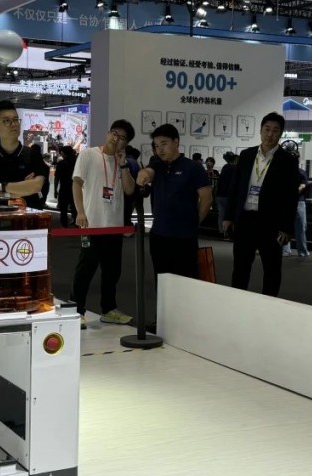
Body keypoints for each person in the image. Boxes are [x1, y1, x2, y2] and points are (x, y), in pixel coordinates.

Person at [223, 112, 300, 297]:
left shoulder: (288, 161)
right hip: (245, 220)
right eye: (267, 129)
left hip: (270, 223)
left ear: (280, 133)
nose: (270, 134)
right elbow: (235, 188)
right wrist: (228, 216)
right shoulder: (247, 155)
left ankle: (269, 305)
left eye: (275, 130)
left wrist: (286, 228)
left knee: (272, 269)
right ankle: (237, 302)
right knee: (240, 267)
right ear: (260, 130)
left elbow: (291, 197)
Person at [70, 120, 138, 329]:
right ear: (108, 133)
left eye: (122, 138)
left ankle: (109, 309)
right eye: (114, 133)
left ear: (126, 143)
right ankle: (77, 310)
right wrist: (80, 212)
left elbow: (129, 190)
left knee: (112, 271)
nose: (116, 139)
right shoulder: (88, 154)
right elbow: (77, 183)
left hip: (114, 226)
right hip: (91, 224)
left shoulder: (124, 163)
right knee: (86, 267)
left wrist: (124, 165)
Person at [135, 123, 212, 279]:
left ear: (176, 142)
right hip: (159, 236)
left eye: (164, 144)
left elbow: (207, 198)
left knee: (186, 281)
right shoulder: (157, 166)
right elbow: (148, 172)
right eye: (157, 146)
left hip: (184, 238)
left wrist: (195, 222)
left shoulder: (193, 167)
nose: (160, 149)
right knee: (161, 281)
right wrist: (143, 175)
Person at [0, 100, 46, 207]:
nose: (13, 124)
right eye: (6, 121)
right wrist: (21, 191)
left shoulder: (33, 155)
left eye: (16, 120)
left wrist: (1, 187)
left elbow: (36, 186)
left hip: (30, 215)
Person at [54, 146, 78, 227]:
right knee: (75, 207)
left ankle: (64, 225)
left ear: (64, 153)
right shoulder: (77, 162)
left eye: (61, 153)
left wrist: (55, 190)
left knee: (63, 209)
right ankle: (76, 222)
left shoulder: (61, 163)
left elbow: (57, 178)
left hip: (64, 188)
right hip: (75, 188)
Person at [215, 151, 237, 237]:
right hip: (229, 195)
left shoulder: (225, 167)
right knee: (232, 214)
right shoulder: (235, 168)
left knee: (221, 214)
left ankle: (222, 231)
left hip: (220, 194)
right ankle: (231, 232)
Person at [26, 144, 51, 210]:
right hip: (41, 189)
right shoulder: (45, 166)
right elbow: (46, 181)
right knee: (38, 208)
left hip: (29, 190)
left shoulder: (27, 163)